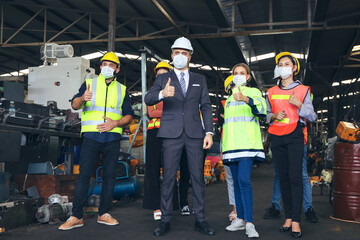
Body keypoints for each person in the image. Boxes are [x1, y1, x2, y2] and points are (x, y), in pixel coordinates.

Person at [145, 36, 214, 237]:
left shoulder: (200, 80)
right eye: (177, 53)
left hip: (194, 135)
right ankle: (165, 221)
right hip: (171, 134)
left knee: (197, 178)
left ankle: (200, 220)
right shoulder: (162, 79)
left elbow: (206, 107)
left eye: (184, 53)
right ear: (172, 55)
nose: (180, 56)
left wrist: (208, 132)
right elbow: (148, 98)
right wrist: (161, 94)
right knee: (168, 178)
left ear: (190, 57)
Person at [58, 52, 134, 230]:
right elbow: (75, 104)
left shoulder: (122, 90)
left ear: (117, 69)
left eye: (111, 64)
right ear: (100, 67)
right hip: (92, 137)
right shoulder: (89, 83)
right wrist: (82, 98)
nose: (106, 67)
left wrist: (116, 122)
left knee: (109, 176)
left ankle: (104, 213)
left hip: (112, 138)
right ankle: (76, 216)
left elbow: (129, 115)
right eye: (104, 64)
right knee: (84, 176)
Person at [266, 52, 316, 238]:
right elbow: (266, 114)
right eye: (280, 64)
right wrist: (272, 116)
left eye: (287, 64)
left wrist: (299, 105)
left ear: (294, 68)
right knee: (283, 178)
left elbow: (312, 116)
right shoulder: (271, 91)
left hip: (295, 136)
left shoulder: (303, 90)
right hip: (276, 137)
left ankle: (296, 220)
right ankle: (288, 217)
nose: (283, 66)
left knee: (295, 178)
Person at [222, 64, 266, 239]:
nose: (238, 76)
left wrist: (247, 99)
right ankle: (239, 218)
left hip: (247, 145)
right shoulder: (229, 98)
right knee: (236, 184)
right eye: (235, 73)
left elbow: (262, 110)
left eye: (242, 73)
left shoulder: (254, 92)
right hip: (231, 147)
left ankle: (249, 223)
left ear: (248, 77)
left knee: (243, 181)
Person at [143, 61, 190, 220]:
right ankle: (156, 206)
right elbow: (151, 113)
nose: (161, 76)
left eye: (164, 74)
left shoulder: (177, 91)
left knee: (171, 170)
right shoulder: (153, 92)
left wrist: (163, 111)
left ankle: (169, 204)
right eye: (158, 74)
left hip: (172, 133)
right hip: (154, 133)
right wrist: (167, 112)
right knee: (153, 169)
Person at [263, 136, 319, 223]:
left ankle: (308, 209)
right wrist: (268, 141)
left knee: (302, 174)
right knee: (279, 174)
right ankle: (276, 207)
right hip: (279, 139)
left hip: (297, 139)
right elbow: (271, 123)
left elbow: (311, 120)